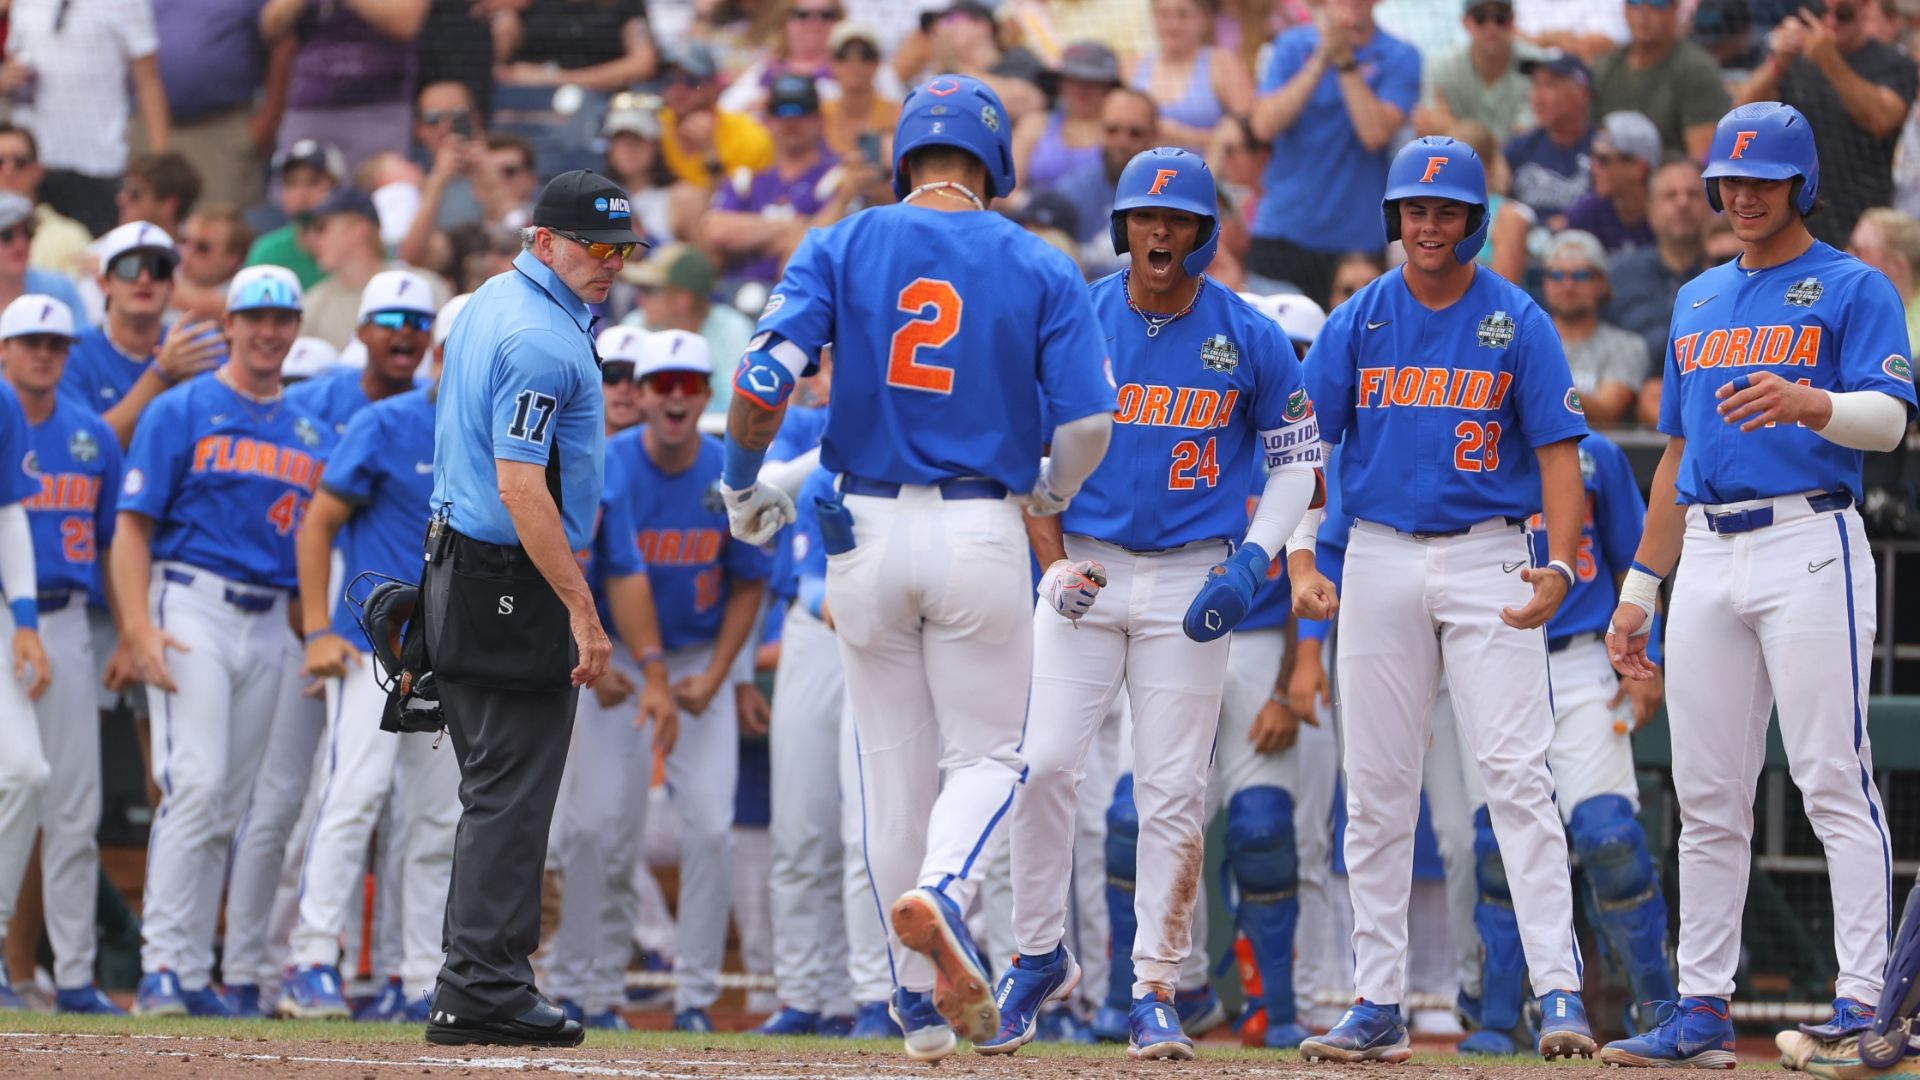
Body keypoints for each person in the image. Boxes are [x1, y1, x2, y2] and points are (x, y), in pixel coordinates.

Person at [717, 74, 1114, 1062]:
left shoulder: (843, 239)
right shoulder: (1038, 258)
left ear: (906, 154)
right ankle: (943, 892)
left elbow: (764, 376)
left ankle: (917, 1012)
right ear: (994, 163)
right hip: (981, 527)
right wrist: (1050, 497)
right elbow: (1090, 425)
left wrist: (738, 483)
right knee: (988, 759)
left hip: (861, 531)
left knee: (891, 778)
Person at [979, 147, 1320, 1062]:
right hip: (1082, 565)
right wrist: (1047, 562)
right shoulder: (1077, 313)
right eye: (1145, 218)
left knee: (1172, 790)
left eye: (1177, 221)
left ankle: (1156, 987)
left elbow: (1297, 461)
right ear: (1124, 225)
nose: (1159, 233)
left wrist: (1254, 563)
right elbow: (1026, 454)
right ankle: (1037, 954)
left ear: (1205, 234)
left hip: (1190, 578)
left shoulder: (1244, 332)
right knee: (1045, 766)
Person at [1600, 100, 1915, 1068]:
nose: (1740, 195)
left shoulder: (1851, 285)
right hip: (1707, 543)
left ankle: (1864, 1004)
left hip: (1808, 538)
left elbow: (1893, 422)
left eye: (1761, 179)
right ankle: (1700, 1010)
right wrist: (1639, 589)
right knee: (1707, 793)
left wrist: (1810, 399)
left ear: (1801, 185)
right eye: (1728, 180)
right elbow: (1677, 455)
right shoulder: (1696, 298)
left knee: (1831, 773)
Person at [1290, 136, 1595, 1063]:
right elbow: (1306, 446)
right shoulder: (1359, 318)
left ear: (1474, 221)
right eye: (1416, 210)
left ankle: (1562, 994)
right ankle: (1376, 999)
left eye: (1447, 210)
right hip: (1378, 554)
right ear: (1395, 218)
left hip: (1489, 552)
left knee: (1516, 779)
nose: (1429, 224)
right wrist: (1306, 550)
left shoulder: (1517, 318)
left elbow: (1556, 455)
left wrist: (1563, 563)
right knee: (1377, 789)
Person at [420, 169, 640, 1048]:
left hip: (464, 564)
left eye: (623, 249)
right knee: (512, 794)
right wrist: (583, 612)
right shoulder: (543, 339)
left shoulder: (485, 301)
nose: (612, 264)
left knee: (494, 790)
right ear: (543, 239)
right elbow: (521, 485)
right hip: (510, 575)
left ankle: (475, 979)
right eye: (596, 246)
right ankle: (481, 983)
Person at [115, 265, 330, 1016]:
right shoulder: (182, 408)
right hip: (191, 601)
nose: (268, 331)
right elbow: (131, 526)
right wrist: (139, 626)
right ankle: (162, 966)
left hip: (270, 618)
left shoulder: (311, 429)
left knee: (229, 802)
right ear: (230, 322)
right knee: (196, 783)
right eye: (255, 317)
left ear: (296, 328)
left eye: (282, 319)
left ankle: (189, 966)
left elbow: (317, 541)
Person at [582, 330, 771, 1033]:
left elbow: (750, 584)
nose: (676, 396)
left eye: (691, 384)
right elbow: (582, 570)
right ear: (650, 394)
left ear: (704, 396)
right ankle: (592, 992)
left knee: (711, 827)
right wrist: (595, 653)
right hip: (617, 664)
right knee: (600, 826)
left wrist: (720, 674)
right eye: (665, 384)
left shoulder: (733, 473)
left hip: (698, 661)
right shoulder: (607, 463)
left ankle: (693, 997)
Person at [280, 283, 458, 1024]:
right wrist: (320, 629)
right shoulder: (384, 422)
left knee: (433, 819)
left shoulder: (494, 439)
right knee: (351, 799)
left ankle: (415, 973)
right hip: (371, 650)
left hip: (451, 656)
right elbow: (317, 525)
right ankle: (311, 962)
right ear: (444, 357)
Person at [0, 294, 123, 1015]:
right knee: (22, 778)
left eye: (55, 341)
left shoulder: (91, 434)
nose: (44, 352)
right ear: (6, 348)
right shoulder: (10, 411)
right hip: (14, 616)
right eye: (29, 340)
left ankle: (73, 974)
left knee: (73, 802)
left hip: (65, 618)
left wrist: (130, 633)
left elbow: (113, 541)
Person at [1249, 0, 1421, 307]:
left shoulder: (1400, 56)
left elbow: (1375, 133)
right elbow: (1263, 125)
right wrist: (1320, 59)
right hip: (1284, 231)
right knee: (1273, 348)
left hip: (1357, 243)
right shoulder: (1291, 45)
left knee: (1361, 350)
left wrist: (1344, 61)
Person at [1735, 0, 1918, 249]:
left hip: (1863, 221)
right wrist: (1777, 63)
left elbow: (1881, 120)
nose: (1830, 22)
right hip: (1798, 214)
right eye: (1820, 13)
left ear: (1865, 9)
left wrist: (1829, 59)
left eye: (1843, 14)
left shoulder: (1894, 63)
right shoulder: (1796, 60)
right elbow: (1739, 117)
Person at [3, 0, 171, 237]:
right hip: (33, 164)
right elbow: (14, 60)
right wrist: (6, 77)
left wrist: (160, 161)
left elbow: (148, 79)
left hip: (98, 163)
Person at [60, 223, 221, 446]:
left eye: (158, 269)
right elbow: (85, 448)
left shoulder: (199, 349)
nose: (144, 279)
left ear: (171, 286)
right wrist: (161, 374)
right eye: (130, 267)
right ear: (104, 283)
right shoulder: (71, 351)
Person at [704, 74, 844, 287]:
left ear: (819, 118)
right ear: (767, 120)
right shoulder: (747, 179)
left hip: (798, 301)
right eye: (780, 111)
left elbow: (818, 248)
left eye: (801, 111)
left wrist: (753, 236)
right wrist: (795, 227)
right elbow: (716, 230)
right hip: (734, 294)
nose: (790, 121)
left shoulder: (838, 179)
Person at [262, 0, 430, 172]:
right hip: (311, 110)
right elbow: (270, 26)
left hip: (380, 110)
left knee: (381, 195)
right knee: (303, 193)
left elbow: (406, 22)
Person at [620, 244, 755, 416]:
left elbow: (738, 405)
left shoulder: (732, 329)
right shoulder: (635, 324)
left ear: (683, 299)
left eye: (649, 290)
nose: (640, 298)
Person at [1589, 0, 1729, 163]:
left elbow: (1702, 160)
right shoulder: (1605, 67)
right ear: (1625, 9)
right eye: (1634, 2)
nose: (1643, 11)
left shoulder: (1697, 69)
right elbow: (1587, 141)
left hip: (1672, 181)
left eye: (1657, 2)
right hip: (1610, 177)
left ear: (1675, 9)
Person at [1608, 160, 1714, 371]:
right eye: (1670, 196)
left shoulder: (1733, 270)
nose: (1682, 203)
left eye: (1693, 194)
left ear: (1710, 206)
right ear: (1650, 209)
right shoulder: (1619, 275)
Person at [1544, 229, 1651, 425]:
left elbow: (1607, 413)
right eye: (1557, 275)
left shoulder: (1627, 346)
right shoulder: (1526, 341)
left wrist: (1539, 381)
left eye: (1580, 275)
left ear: (1601, 283)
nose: (1568, 285)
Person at [1050, 88, 1163, 275]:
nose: (1122, 142)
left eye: (1135, 133)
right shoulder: (1069, 193)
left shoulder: (1172, 197)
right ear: (1099, 131)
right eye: (1112, 130)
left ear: (1154, 136)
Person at [1129, 0, 1254, 152]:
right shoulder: (1133, 66)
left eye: (1183, 15)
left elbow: (1249, 133)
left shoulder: (1222, 64)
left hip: (1208, 171)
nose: (1173, 25)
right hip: (1146, 172)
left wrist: (1187, 137)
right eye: (1164, 15)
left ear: (1203, 19)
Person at [658, 43, 776, 190]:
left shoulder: (749, 136)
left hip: (723, 209)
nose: (678, 89)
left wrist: (710, 153)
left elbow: (738, 202)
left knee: (686, 195)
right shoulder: (659, 124)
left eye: (691, 81)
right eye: (669, 80)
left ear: (713, 86)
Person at [1417, 0, 1538, 140]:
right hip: (1459, 161)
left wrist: (1453, 128)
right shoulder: (1441, 67)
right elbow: (1429, 126)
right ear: (1465, 22)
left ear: (1512, 21)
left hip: (1524, 161)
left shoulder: (1538, 66)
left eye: (1500, 18)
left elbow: (1529, 137)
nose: (1491, 26)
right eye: (1480, 17)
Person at [1014, 42, 1123, 194]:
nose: (1081, 89)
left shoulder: (1124, 131)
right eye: (1073, 79)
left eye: (1092, 81)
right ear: (1060, 82)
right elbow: (1008, 189)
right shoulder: (1035, 124)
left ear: (1109, 86)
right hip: (1037, 213)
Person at [1504, 51, 1594, 228]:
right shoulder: (1518, 148)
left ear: (1581, 93)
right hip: (1523, 244)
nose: (1538, 97)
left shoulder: (1602, 152)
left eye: (1550, 85)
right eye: (1535, 85)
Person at [0, 125, 99, 279]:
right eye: (0, 162)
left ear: (37, 170)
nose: (8, 170)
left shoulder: (70, 236)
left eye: (19, 162)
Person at [493, 0, 656, 93]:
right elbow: (497, 68)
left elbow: (642, 64)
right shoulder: (525, 5)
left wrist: (557, 78)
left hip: (603, 99)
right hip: (526, 100)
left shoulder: (624, 5)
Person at [246, 140, 347, 289]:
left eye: (313, 182)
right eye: (291, 184)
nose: (301, 193)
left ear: (337, 188)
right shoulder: (266, 252)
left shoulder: (357, 246)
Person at [1565, 110, 1659, 254]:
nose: (1593, 167)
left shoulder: (1668, 215)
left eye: (1603, 160)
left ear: (1638, 168)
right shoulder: (1586, 214)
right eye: (1592, 157)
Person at [821, 23, 901, 161]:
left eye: (865, 55)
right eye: (843, 55)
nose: (854, 63)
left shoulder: (898, 116)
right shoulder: (818, 116)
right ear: (831, 62)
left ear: (878, 62)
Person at [173, 205, 254, 321]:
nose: (187, 252)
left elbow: (201, 304)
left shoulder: (245, 290)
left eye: (202, 248)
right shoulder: (166, 266)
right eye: (184, 240)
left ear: (233, 258)